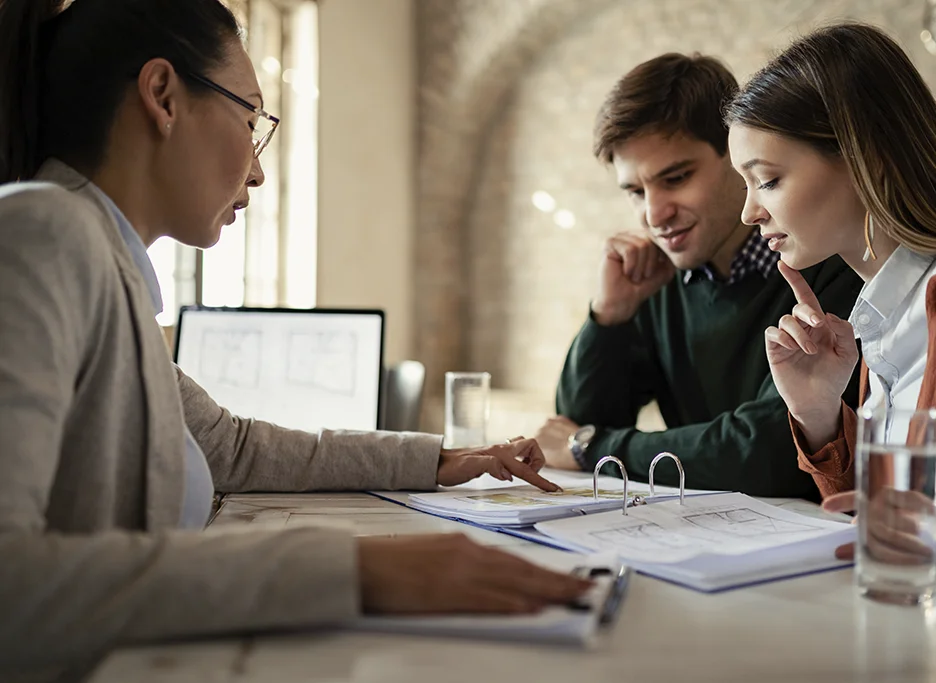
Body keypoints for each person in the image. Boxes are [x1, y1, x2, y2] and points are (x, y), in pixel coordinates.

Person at [0, 0, 590, 677]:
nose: (256, 171)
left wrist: (440, 458)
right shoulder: (43, 235)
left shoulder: (104, 267)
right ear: (162, 95)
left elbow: (231, 448)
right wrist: (357, 568)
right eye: (250, 120)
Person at [725, 22, 936, 567]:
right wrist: (819, 413)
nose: (748, 213)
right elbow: (880, 530)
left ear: (867, 158)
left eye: (766, 180)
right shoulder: (879, 319)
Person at [535, 53, 862, 497]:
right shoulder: (656, 281)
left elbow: (768, 453)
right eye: (635, 191)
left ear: (737, 155)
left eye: (676, 178)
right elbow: (574, 428)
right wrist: (609, 316)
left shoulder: (830, 259)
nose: (654, 215)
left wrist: (594, 448)